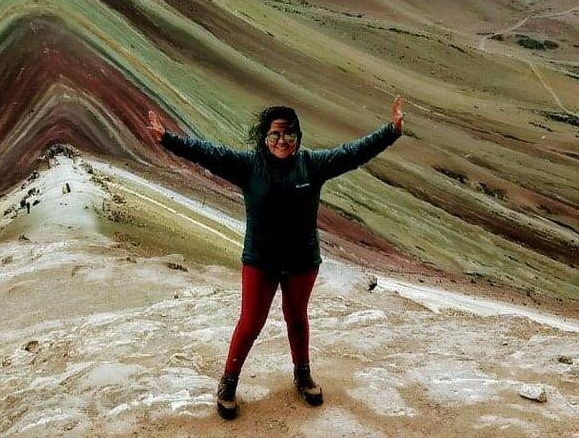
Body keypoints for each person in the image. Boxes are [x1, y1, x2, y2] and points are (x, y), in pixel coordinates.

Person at [144, 96, 405, 419]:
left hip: (301, 261)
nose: (282, 141)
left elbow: (354, 153)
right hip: (261, 261)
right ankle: (228, 383)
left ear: (298, 136)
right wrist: (167, 139)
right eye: (275, 135)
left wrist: (391, 130)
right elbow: (208, 154)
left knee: (297, 319)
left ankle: (303, 376)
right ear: (265, 138)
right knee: (251, 323)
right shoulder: (248, 166)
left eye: (289, 135)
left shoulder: (313, 164)